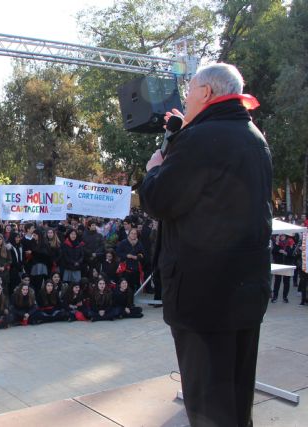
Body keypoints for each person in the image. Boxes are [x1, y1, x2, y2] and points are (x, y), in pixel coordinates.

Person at [139, 63, 272, 427]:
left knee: (208, 406)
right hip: (245, 292)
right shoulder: (254, 136)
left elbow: (160, 201)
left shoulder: (199, 141)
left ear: (207, 94)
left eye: (190, 91)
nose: (185, 99)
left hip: (204, 297)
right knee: (236, 397)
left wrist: (154, 169)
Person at [271, 234, 295, 303]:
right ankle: (275, 297)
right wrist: (278, 248)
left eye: (283, 236)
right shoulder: (277, 243)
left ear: (286, 236)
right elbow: (273, 251)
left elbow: (292, 254)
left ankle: (285, 297)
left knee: (286, 282)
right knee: (277, 281)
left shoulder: (290, 242)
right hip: (279, 264)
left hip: (287, 265)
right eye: (280, 236)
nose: (281, 237)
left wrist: (285, 253)